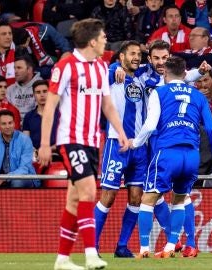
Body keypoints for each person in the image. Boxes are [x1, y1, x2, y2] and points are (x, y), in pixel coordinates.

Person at [38, 18, 128, 270]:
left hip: (91, 141)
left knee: (74, 201)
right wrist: (45, 143)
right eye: (102, 38)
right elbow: (51, 106)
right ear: (92, 41)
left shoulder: (100, 67)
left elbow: (107, 105)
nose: (105, 41)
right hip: (70, 140)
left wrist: (120, 131)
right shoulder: (65, 65)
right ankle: (90, 254)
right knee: (89, 192)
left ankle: (62, 260)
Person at [129, 56, 212, 258]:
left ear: (165, 73)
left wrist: (135, 143)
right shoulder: (198, 95)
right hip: (191, 155)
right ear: (185, 74)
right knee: (180, 200)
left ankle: (144, 249)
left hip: (167, 152)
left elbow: (150, 124)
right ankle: (171, 247)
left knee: (148, 200)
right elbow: (211, 128)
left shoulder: (159, 92)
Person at [95, 40, 145, 258]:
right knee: (109, 195)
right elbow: (98, 77)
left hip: (140, 148)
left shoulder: (143, 78)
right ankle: (92, 248)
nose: (136, 57)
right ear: (121, 57)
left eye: (139, 54)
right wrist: (113, 68)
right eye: (132, 53)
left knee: (136, 197)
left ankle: (122, 246)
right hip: (117, 144)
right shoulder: (112, 74)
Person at [0, 107, 40, 188]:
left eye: (10, 123)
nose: (8, 126)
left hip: (24, 177)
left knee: (17, 182)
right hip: (1, 178)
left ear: (14, 123)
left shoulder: (25, 140)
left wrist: (5, 178)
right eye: (4, 124)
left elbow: (24, 168)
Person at [23, 79, 58, 158]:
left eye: (45, 91)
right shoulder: (28, 117)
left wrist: (47, 150)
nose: (42, 95)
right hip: (34, 156)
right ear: (34, 95)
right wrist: (35, 152)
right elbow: (26, 141)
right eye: (38, 92)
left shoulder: (60, 115)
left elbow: (64, 140)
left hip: (56, 154)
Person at [6, 55, 42, 123]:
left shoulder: (41, 87)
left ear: (29, 70)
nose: (15, 71)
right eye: (14, 68)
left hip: (33, 125)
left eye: (19, 68)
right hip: (13, 127)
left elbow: (40, 113)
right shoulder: (10, 90)